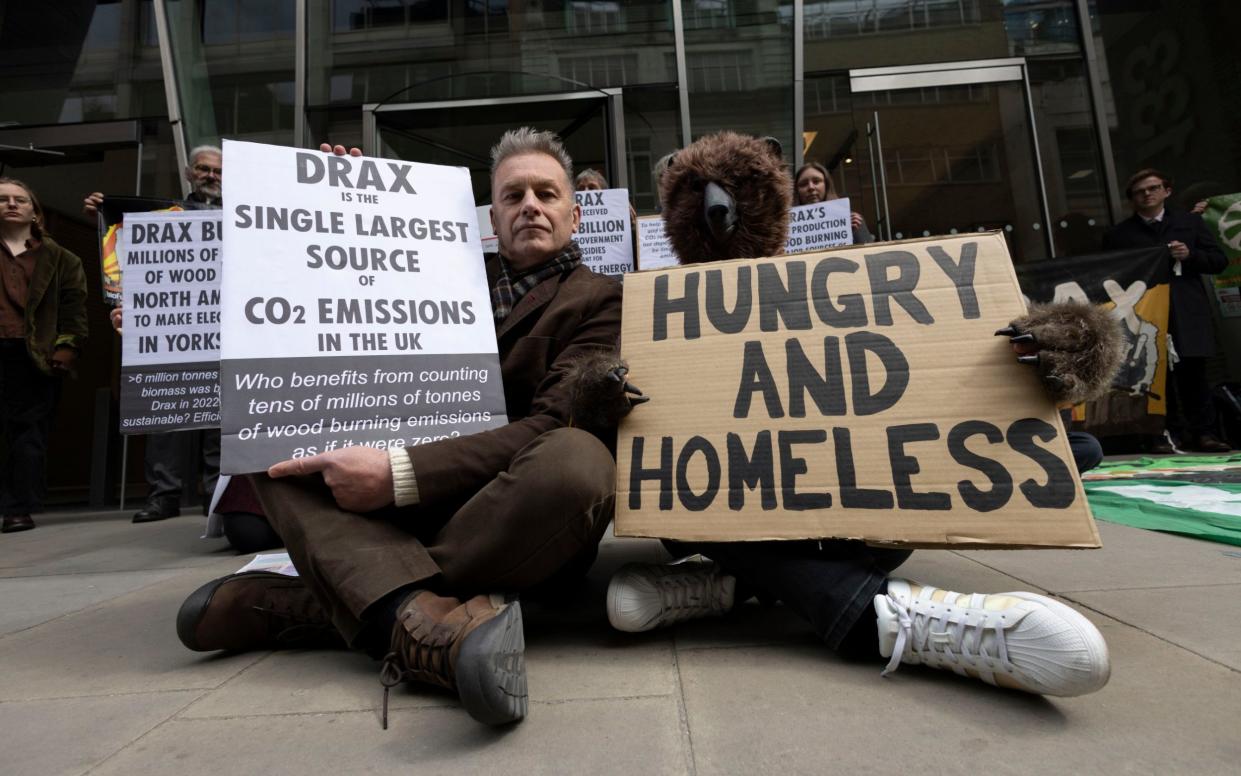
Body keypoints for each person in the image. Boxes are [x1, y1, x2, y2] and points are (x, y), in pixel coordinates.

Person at [599, 131, 1111, 702]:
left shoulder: (836, 285)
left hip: (844, 506)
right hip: (719, 505)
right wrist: (603, 390)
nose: (718, 207)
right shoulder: (650, 310)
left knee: (1074, 450)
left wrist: (1069, 343)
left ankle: (737, 583)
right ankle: (888, 620)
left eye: (736, 188)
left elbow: (955, 359)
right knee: (672, 490)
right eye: (698, 192)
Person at [174, 128, 623, 728]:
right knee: (274, 433)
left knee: (580, 459)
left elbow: (551, 421)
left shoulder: (605, 298)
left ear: (574, 211)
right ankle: (424, 621)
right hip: (392, 507)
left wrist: (402, 474)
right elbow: (313, 302)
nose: (530, 206)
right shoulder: (431, 267)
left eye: (546, 193)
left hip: (503, 515)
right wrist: (336, 204)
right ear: (492, 215)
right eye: (513, 196)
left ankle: (333, 601)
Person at [86, 145, 225, 522]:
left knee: (220, 419)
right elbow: (121, 246)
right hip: (169, 332)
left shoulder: (242, 216)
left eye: (217, 170)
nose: (210, 176)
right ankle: (163, 497)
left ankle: (217, 496)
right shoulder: (160, 216)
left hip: (224, 331)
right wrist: (107, 213)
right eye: (203, 169)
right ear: (188, 172)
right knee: (167, 416)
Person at [1103, 169, 1230, 453]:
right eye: (1140, 191)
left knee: (1194, 373)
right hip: (1143, 313)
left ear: (1167, 191)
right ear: (1131, 199)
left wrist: (1191, 255)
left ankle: (1204, 434)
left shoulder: (1189, 223)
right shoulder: (1118, 235)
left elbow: (1219, 261)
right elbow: (1110, 275)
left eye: (1153, 188)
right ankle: (1161, 434)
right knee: (1152, 374)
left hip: (1187, 309)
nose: (1148, 194)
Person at [0, 178, 88, 533]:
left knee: (28, 435)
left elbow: (74, 308)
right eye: (2, 199)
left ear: (34, 211)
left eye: (19, 199)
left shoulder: (61, 258)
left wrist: (66, 348)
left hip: (31, 355)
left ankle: (18, 508)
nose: (11, 204)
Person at [793, 161, 874, 244]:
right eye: (803, 184)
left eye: (816, 181)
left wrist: (851, 234)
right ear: (797, 192)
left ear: (827, 185)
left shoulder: (852, 220)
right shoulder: (786, 229)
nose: (811, 187)